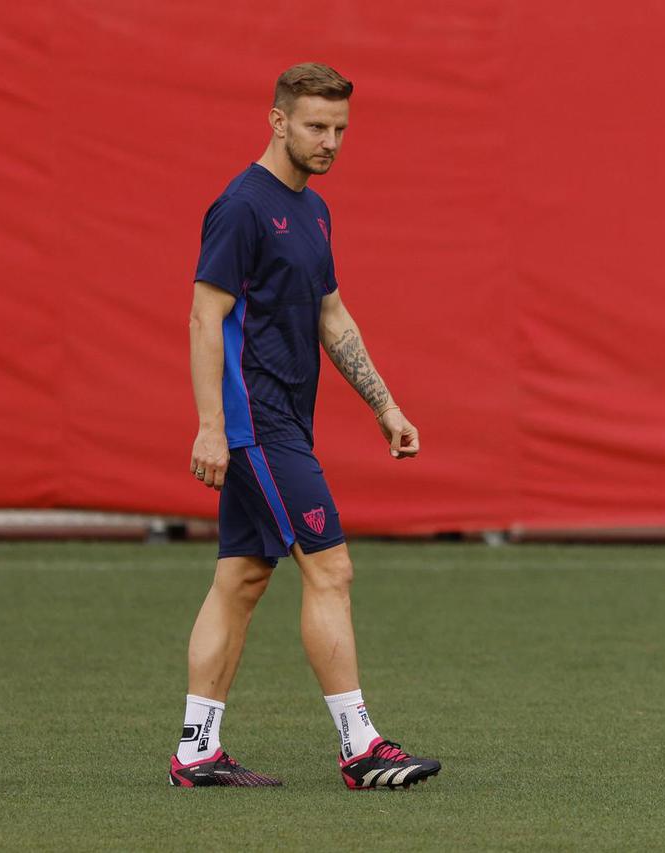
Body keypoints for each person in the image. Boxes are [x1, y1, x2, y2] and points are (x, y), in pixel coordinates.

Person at [169, 62, 441, 790]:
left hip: (286, 418)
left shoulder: (314, 211)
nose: (330, 142)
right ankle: (361, 747)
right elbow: (205, 315)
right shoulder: (242, 207)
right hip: (256, 422)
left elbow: (332, 315)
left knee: (243, 578)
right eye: (316, 126)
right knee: (332, 566)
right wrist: (210, 426)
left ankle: (195, 750)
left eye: (341, 129)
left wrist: (384, 403)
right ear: (277, 120)